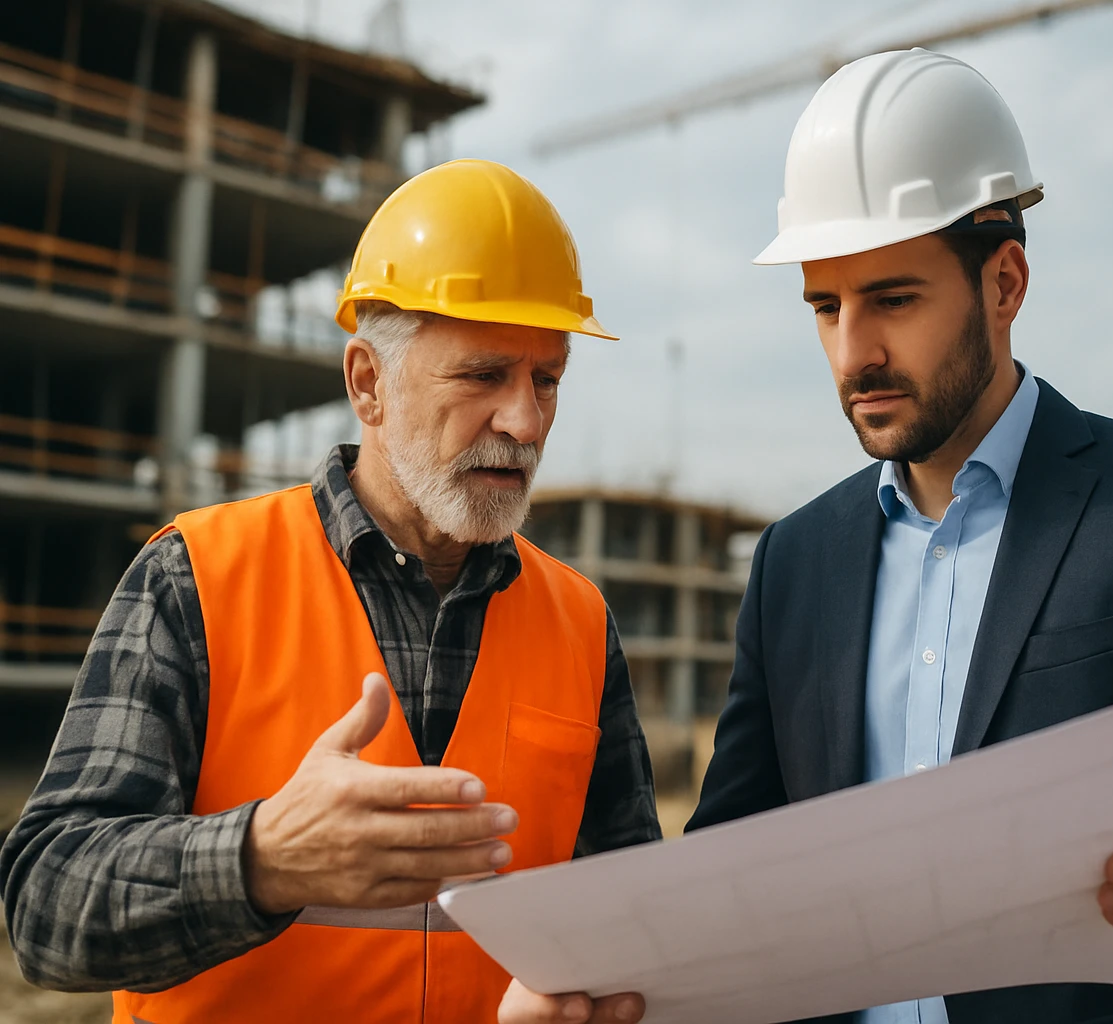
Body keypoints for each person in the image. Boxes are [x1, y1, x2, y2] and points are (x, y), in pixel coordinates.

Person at [686, 48, 1113, 1022]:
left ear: (1004, 283)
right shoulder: (794, 562)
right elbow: (731, 866)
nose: (853, 352)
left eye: (892, 298)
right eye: (825, 307)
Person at [0, 159, 655, 1024]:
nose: (525, 422)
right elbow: (47, 908)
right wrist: (262, 859)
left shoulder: (580, 621)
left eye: (547, 380)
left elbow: (631, 914)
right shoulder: (195, 576)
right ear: (367, 383)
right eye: (483, 375)